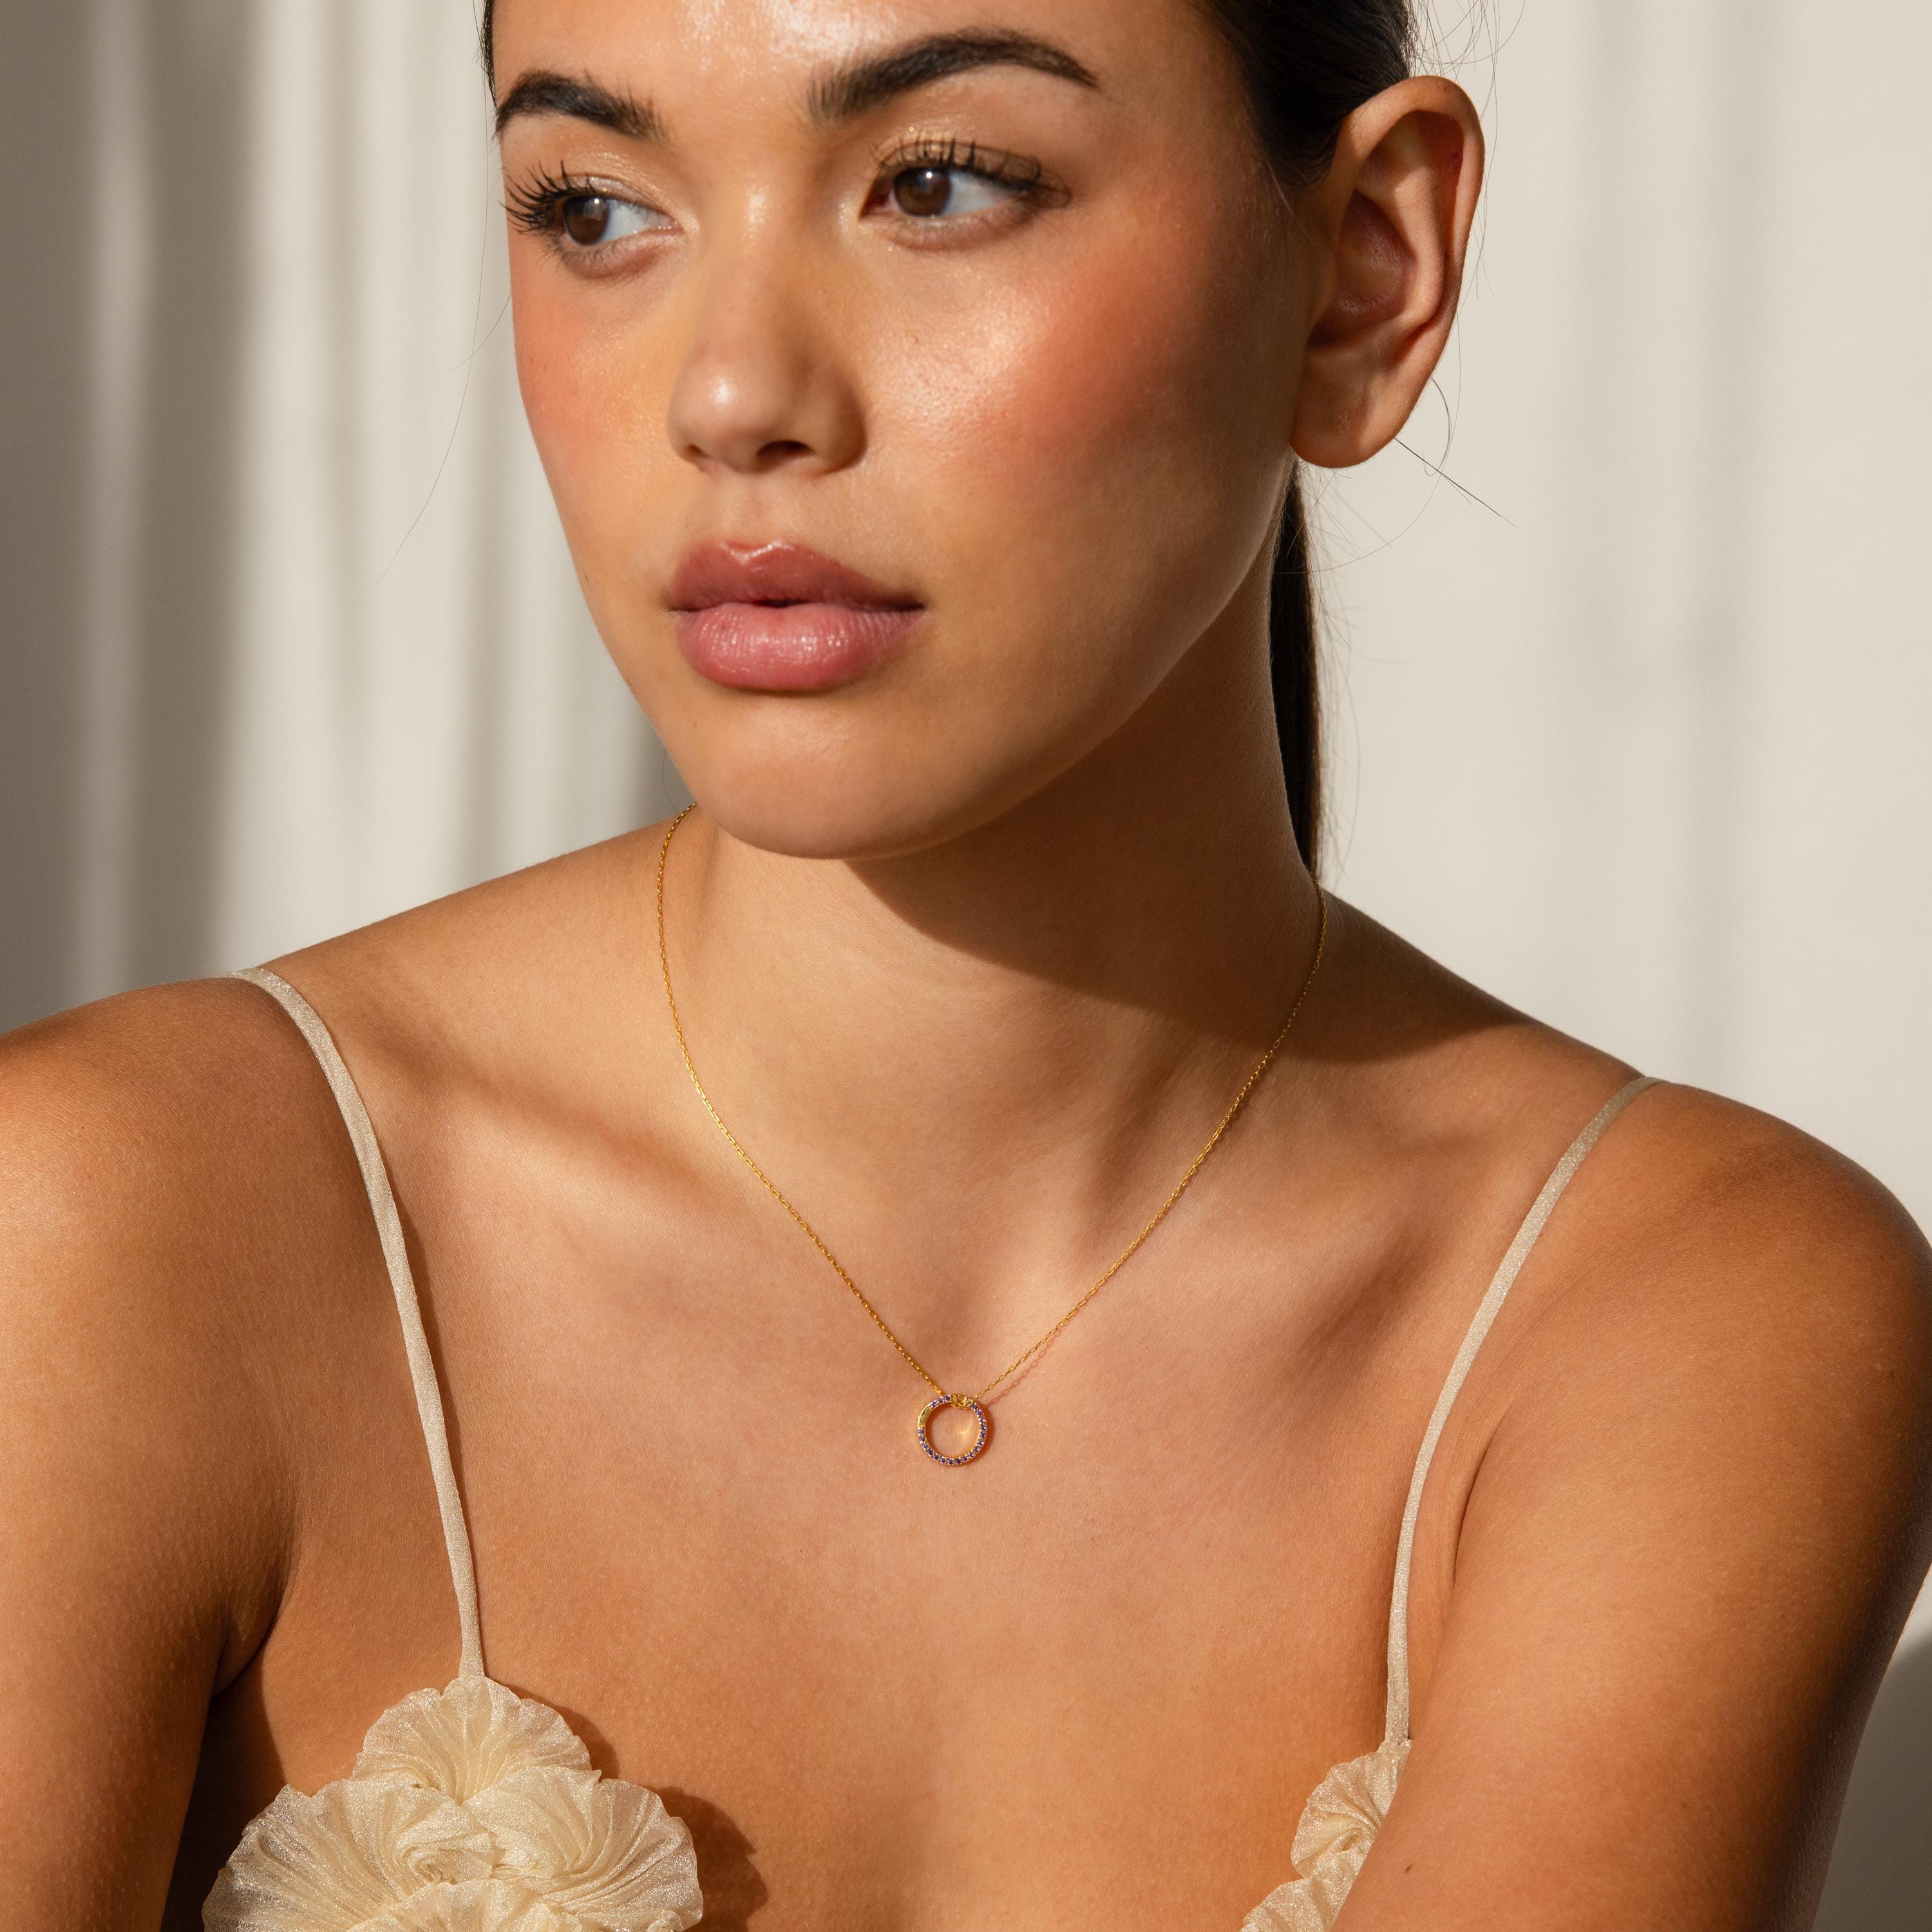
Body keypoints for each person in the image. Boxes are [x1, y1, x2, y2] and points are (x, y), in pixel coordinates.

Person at [3, 1, 1927, 1926]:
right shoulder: (121, 1229)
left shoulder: (1674, 1324)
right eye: (594, 208)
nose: (732, 392)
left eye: (937, 184)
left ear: (1365, 275)